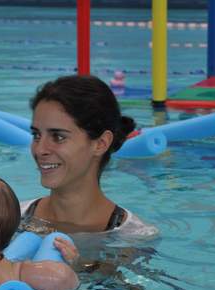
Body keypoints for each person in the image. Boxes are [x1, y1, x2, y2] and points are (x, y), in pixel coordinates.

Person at [20, 74, 158, 240]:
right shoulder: (9, 220)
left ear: (100, 143)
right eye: (36, 135)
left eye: (58, 137)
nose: (40, 149)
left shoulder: (134, 238)